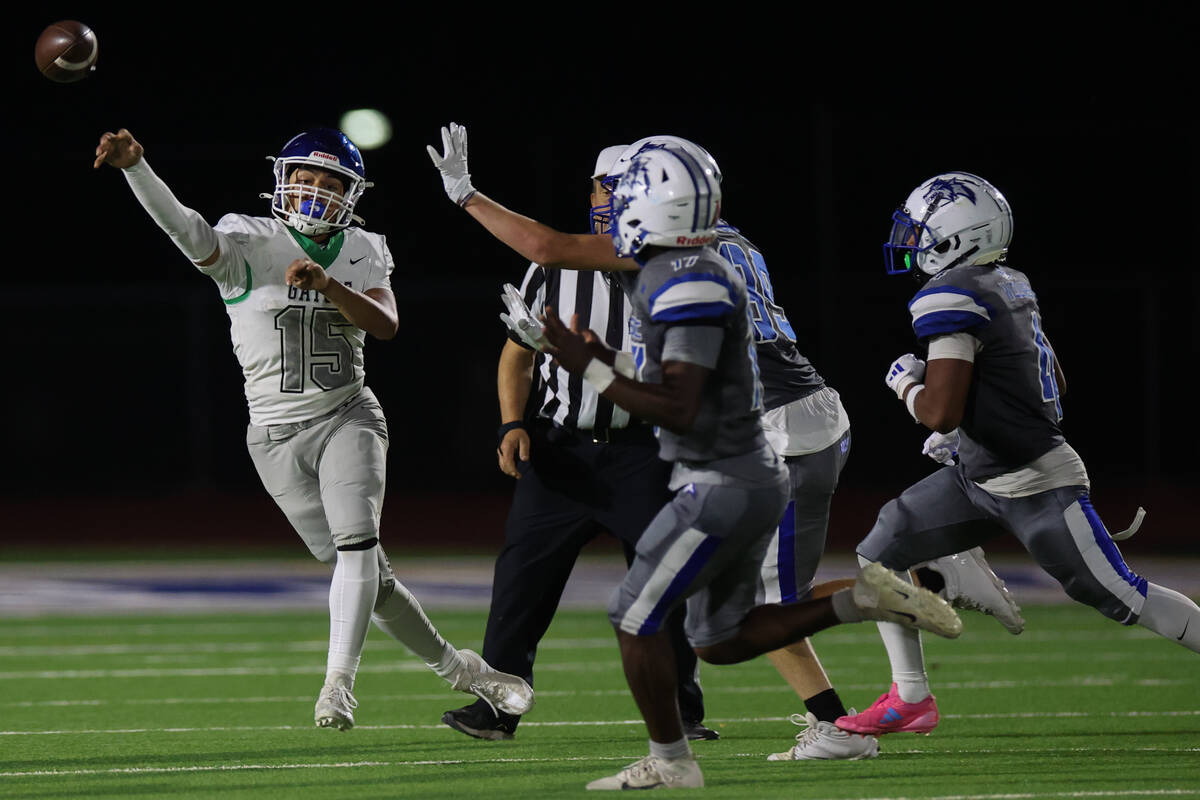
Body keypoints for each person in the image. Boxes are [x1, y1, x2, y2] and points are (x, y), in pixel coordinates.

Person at [428, 125, 1022, 761]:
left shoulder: (676, 258)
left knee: (736, 614)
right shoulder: (724, 244)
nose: (618, 202)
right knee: (731, 615)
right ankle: (872, 662)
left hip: (771, 435)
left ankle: (896, 618)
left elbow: (551, 250)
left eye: (630, 188)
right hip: (797, 422)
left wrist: (467, 197)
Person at [92, 126, 534, 732]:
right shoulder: (250, 239)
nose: (316, 189)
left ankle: (338, 687)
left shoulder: (363, 248)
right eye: (307, 176)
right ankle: (462, 669)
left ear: (352, 193)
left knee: (356, 547)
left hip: (347, 416)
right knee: (370, 581)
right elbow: (184, 228)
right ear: (284, 177)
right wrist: (136, 168)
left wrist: (330, 285)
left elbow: (385, 326)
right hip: (272, 438)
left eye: (332, 182)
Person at [836, 171, 1200, 737]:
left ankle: (961, 568)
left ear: (954, 235)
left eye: (919, 230)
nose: (909, 241)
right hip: (979, 477)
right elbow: (1027, 381)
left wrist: (906, 383)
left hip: (1038, 484)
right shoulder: (1005, 283)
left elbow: (939, 411)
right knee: (879, 550)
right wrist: (966, 438)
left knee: (1123, 595)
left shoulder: (953, 295)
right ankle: (909, 699)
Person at [440, 146, 717, 743]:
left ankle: (682, 712)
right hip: (561, 448)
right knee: (521, 582)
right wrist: (512, 424)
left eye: (614, 188)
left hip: (645, 450)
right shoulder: (557, 270)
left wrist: (466, 193)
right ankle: (498, 706)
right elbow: (517, 355)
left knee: (663, 582)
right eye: (598, 188)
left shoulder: (677, 264)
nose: (602, 200)